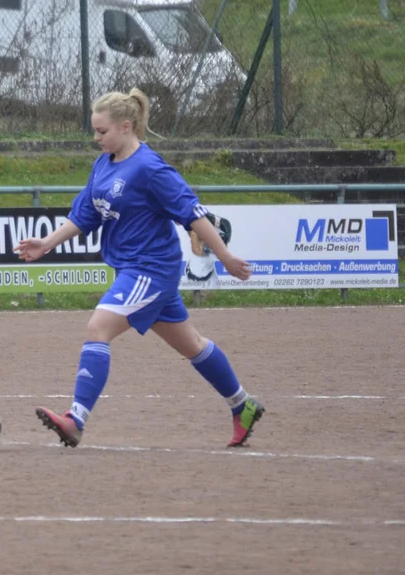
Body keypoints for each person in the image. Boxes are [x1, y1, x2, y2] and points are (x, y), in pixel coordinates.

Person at [14, 88, 264, 448]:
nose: (96, 138)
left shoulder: (150, 168)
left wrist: (223, 255)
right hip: (134, 269)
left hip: (150, 269)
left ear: (126, 126)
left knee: (98, 327)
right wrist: (46, 243)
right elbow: (86, 215)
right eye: (95, 131)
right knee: (192, 345)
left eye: (102, 131)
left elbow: (193, 212)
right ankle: (243, 405)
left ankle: (75, 420)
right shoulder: (103, 164)